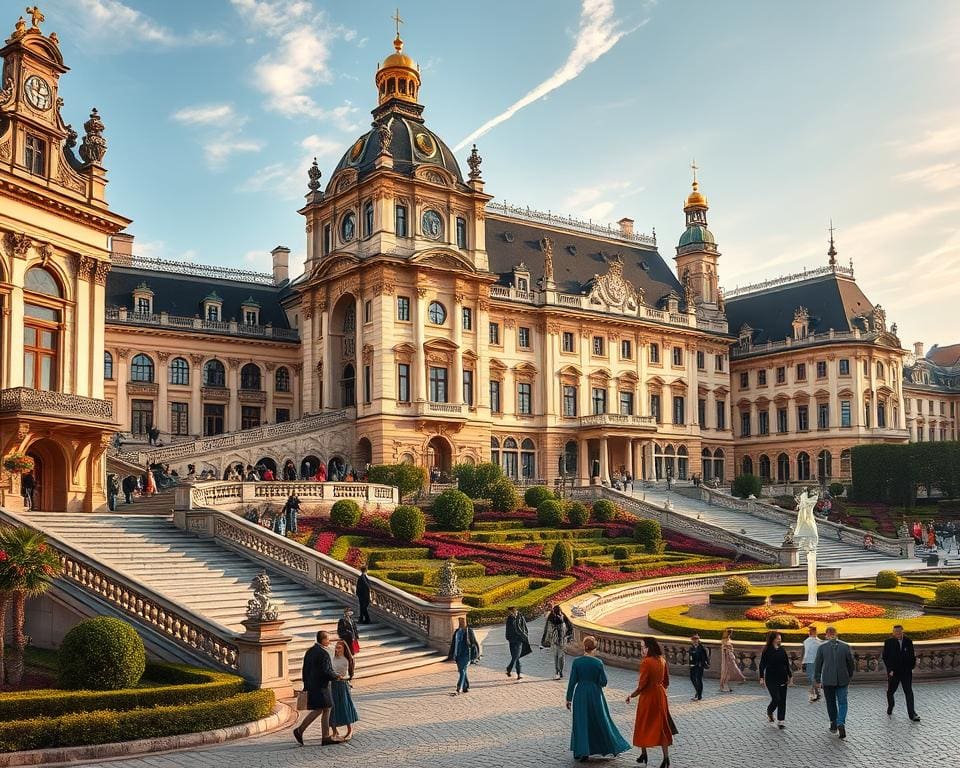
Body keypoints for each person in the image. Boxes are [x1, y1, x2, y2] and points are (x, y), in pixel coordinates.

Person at [566, 635, 629, 763]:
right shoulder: (598, 663)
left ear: (584, 647)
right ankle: (612, 746)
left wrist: (568, 698)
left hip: (580, 693)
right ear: (594, 648)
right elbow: (603, 682)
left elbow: (572, 681)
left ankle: (582, 752)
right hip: (595, 694)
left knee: (581, 722)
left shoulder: (577, 662)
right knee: (601, 720)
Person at [626, 636, 674, 767]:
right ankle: (666, 758)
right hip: (660, 694)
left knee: (643, 722)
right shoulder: (662, 660)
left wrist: (632, 695)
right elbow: (666, 681)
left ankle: (644, 753)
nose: (642, 650)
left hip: (648, 696)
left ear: (649, 647)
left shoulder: (646, 662)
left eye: (643, 647)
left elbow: (642, 684)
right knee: (662, 725)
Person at [293, 630, 340, 746]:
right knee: (324, 707)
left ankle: (325, 736)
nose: (329, 641)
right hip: (322, 686)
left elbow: (304, 669)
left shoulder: (310, 651)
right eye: (328, 639)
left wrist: (306, 684)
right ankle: (301, 730)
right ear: (323, 640)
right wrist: (336, 676)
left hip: (312, 685)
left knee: (324, 708)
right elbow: (326, 671)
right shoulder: (323, 653)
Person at [814, 626, 855, 739]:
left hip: (828, 680)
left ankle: (833, 722)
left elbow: (818, 664)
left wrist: (817, 679)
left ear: (826, 635)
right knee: (843, 703)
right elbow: (851, 664)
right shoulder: (845, 646)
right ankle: (840, 722)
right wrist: (849, 676)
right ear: (836, 634)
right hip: (843, 679)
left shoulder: (822, 648)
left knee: (831, 703)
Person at [882, 624, 920, 721]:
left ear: (902, 631)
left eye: (899, 632)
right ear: (893, 633)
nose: (897, 634)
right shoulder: (888, 642)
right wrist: (890, 670)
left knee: (909, 692)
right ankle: (890, 706)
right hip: (894, 673)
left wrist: (912, 666)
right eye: (895, 632)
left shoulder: (908, 641)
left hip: (906, 672)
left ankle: (912, 714)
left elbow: (912, 655)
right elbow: (885, 658)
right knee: (891, 691)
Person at [759, 631, 792, 728]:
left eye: (780, 637)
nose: (780, 639)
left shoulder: (782, 650)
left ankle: (781, 721)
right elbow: (762, 665)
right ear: (773, 639)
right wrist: (761, 677)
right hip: (771, 678)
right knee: (776, 698)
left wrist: (790, 676)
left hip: (783, 678)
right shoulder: (767, 650)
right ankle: (770, 711)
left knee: (782, 700)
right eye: (778, 637)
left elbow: (786, 663)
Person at [329, 640, 358, 741]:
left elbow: (345, 674)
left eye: (339, 647)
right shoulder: (332, 658)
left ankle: (349, 730)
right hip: (332, 684)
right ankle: (334, 730)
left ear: (344, 649)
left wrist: (339, 676)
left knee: (344, 706)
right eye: (336, 647)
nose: (337, 649)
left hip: (342, 685)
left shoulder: (346, 660)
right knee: (332, 708)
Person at [447, 616, 480, 695]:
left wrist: (476, 655)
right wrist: (451, 655)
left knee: (462, 671)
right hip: (458, 654)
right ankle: (466, 686)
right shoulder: (457, 632)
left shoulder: (469, 631)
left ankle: (459, 687)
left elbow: (474, 643)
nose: (461, 624)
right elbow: (453, 644)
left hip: (466, 655)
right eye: (460, 622)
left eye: (462, 622)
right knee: (462, 671)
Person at [541, 603, 574, 679]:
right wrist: (568, 636)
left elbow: (547, 630)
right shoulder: (563, 617)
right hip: (562, 640)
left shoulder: (551, 618)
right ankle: (560, 671)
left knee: (556, 656)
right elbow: (570, 627)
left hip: (555, 641)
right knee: (561, 657)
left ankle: (557, 671)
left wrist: (545, 641)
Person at [505, 606, 531, 680]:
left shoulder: (520, 617)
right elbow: (507, 629)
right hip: (511, 640)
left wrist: (525, 635)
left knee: (516, 656)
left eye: (511, 611)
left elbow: (525, 627)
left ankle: (509, 669)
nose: (510, 613)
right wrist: (508, 637)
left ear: (514, 610)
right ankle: (518, 674)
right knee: (516, 657)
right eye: (509, 612)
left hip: (519, 640)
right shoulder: (509, 618)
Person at [719, 628, 744, 692]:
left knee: (729, 672)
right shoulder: (725, 641)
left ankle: (726, 686)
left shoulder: (727, 640)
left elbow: (729, 650)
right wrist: (731, 655)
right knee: (725, 672)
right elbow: (726, 650)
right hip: (726, 658)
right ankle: (723, 686)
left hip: (729, 658)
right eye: (729, 633)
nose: (730, 634)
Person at [802, 625, 823, 702]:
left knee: (812, 678)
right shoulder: (819, 642)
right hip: (816, 662)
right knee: (814, 678)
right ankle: (816, 693)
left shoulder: (807, 641)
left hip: (810, 662)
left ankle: (815, 693)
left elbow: (805, 653)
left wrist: (803, 662)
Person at [688, 634, 709, 701]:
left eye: (695, 640)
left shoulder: (701, 648)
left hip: (699, 666)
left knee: (699, 679)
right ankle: (698, 691)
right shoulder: (691, 648)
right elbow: (690, 657)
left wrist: (698, 664)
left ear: (698, 640)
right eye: (693, 640)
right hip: (692, 666)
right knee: (692, 678)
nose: (694, 641)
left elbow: (704, 658)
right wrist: (690, 664)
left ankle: (699, 695)